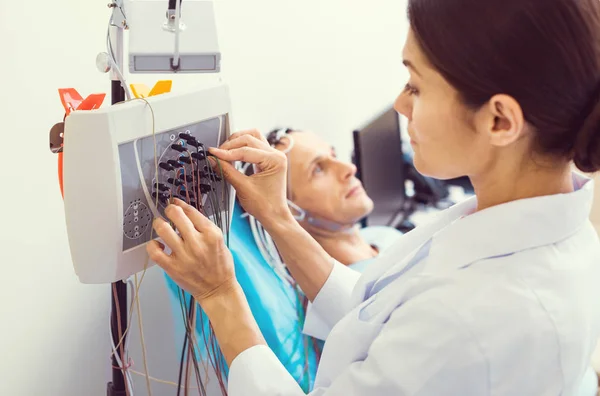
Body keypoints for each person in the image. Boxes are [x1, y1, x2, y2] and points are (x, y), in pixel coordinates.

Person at [148, 0, 600, 394]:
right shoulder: (543, 227)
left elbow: (426, 331)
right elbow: (376, 316)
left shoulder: (475, 318)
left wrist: (220, 293)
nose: (401, 104)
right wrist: (279, 217)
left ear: (500, 121)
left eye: (416, 86)